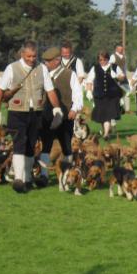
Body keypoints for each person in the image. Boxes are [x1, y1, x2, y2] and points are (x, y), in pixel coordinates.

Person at [0, 41, 63, 193]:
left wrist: (57, 109)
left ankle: (28, 178)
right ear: (22, 54)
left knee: (31, 146)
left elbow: (50, 91)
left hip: (36, 112)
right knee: (19, 144)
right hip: (16, 112)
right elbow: (0, 91)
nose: (32, 59)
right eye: (29, 56)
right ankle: (18, 179)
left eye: (34, 56)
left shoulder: (42, 68)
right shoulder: (11, 68)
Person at [38, 47, 83, 187]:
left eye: (48, 61)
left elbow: (78, 94)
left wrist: (74, 109)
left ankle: (68, 175)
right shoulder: (41, 74)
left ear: (57, 61)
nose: (45, 64)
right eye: (44, 61)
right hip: (46, 117)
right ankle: (44, 176)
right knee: (46, 146)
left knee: (66, 147)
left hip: (65, 117)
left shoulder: (70, 74)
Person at [85, 51, 124, 139]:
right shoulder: (95, 68)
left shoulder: (114, 67)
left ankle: (106, 134)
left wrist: (117, 77)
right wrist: (88, 91)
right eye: (100, 60)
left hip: (112, 95)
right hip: (99, 95)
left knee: (108, 115)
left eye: (104, 60)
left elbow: (122, 77)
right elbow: (89, 80)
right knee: (102, 115)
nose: (102, 61)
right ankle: (106, 131)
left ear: (107, 59)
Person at [109, 45, 131, 113]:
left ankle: (127, 109)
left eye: (121, 49)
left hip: (123, 76)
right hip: (115, 76)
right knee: (116, 93)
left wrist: (125, 74)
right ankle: (119, 108)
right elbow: (111, 66)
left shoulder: (124, 56)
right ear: (116, 49)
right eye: (119, 49)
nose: (120, 50)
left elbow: (124, 67)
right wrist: (115, 75)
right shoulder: (113, 56)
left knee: (127, 92)